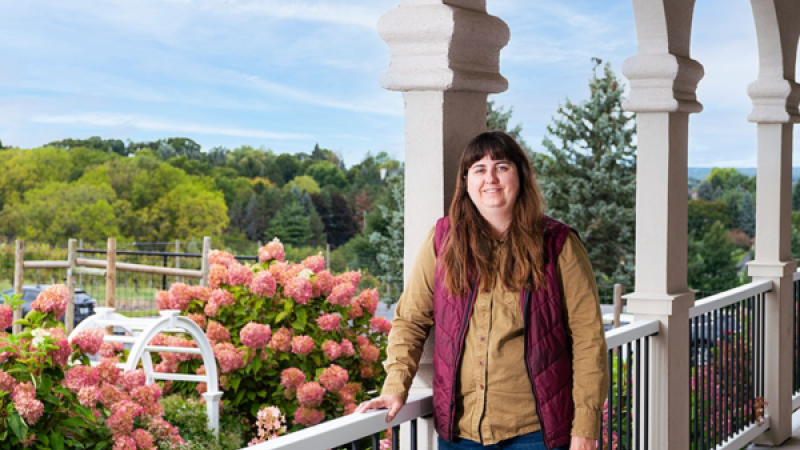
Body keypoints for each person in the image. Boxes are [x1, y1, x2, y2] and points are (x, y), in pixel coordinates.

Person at [356, 131, 608, 450]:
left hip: (536, 435)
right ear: (466, 181)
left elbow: (589, 338)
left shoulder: (558, 244)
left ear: (520, 175)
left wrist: (585, 428)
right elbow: (411, 320)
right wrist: (395, 387)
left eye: (501, 166)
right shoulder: (442, 239)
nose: (490, 177)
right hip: (460, 435)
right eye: (478, 168)